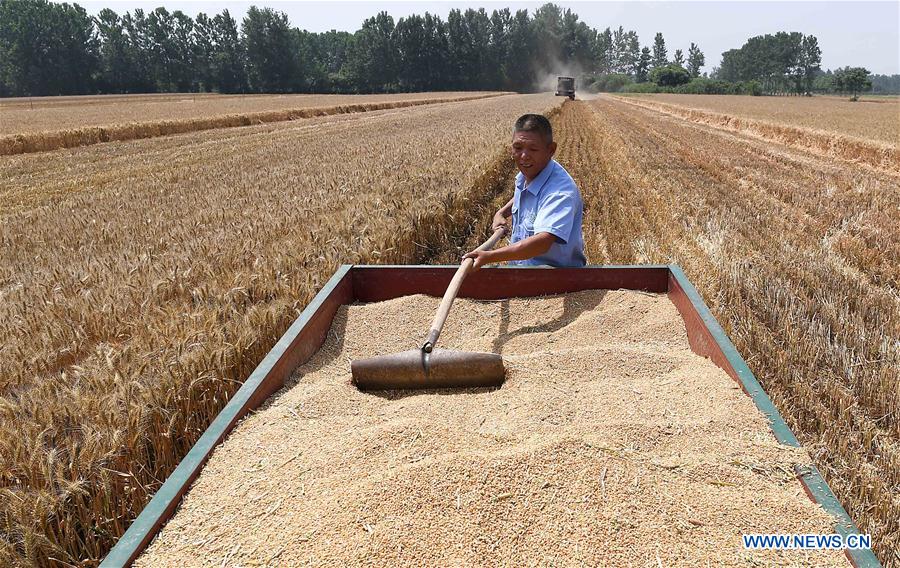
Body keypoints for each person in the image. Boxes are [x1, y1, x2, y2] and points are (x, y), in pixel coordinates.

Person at [463, 113, 586, 268]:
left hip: (554, 278)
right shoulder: (528, 175)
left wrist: (490, 257)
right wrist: (502, 212)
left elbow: (542, 242)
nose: (524, 156)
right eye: (518, 148)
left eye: (533, 149)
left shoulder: (560, 192)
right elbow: (526, 194)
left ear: (551, 150)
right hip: (522, 272)